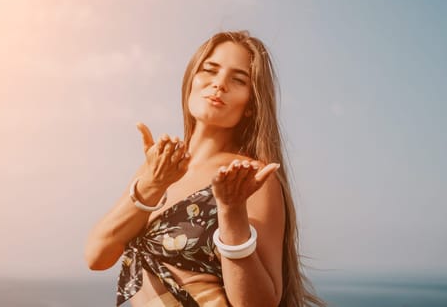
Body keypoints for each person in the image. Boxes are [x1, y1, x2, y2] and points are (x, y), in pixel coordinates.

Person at [85, 31, 325, 307]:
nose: (219, 84)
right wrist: (151, 184)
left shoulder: (250, 177)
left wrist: (231, 210)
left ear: (251, 105)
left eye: (238, 80)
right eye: (209, 70)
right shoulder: (161, 166)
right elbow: (97, 256)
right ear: (191, 81)